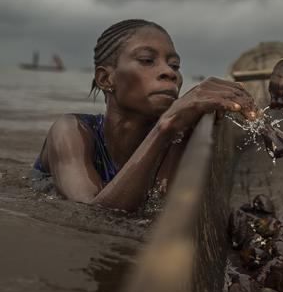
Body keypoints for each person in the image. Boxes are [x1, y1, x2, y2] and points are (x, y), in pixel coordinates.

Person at [33, 19, 257, 212]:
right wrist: (166, 125)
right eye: (147, 60)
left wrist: (182, 130)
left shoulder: (175, 134)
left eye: (175, 65)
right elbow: (89, 216)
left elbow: (158, 207)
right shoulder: (71, 131)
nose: (169, 72)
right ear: (105, 79)